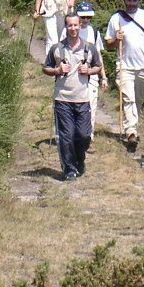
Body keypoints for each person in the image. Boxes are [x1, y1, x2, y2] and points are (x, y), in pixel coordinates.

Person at [43, 12, 102, 181]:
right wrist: (57, 70)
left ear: (80, 26)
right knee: (66, 136)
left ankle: (80, 159)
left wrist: (89, 71)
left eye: (76, 25)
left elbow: (98, 65)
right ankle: (69, 169)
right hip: (62, 99)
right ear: (66, 27)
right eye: (70, 25)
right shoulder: (57, 48)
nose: (73, 28)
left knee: (84, 135)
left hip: (83, 98)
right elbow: (45, 68)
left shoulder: (89, 48)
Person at [105, 0, 144, 151]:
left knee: (137, 100)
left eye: (134, 0)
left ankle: (132, 126)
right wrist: (116, 39)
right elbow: (108, 44)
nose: (132, 3)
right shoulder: (116, 18)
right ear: (124, 0)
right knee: (128, 98)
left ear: (139, 0)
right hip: (124, 66)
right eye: (129, 0)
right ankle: (131, 132)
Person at [61, 1, 108, 149]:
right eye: (83, 17)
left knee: (91, 105)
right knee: (73, 105)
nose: (86, 20)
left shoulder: (94, 32)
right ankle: (74, 135)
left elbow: (98, 56)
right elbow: (60, 51)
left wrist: (103, 76)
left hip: (91, 74)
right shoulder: (68, 30)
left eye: (89, 17)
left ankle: (88, 138)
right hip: (72, 75)